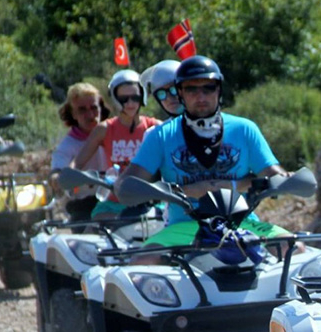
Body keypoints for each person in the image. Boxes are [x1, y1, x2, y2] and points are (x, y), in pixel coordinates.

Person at [114, 55, 290, 247]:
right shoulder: (160, 136)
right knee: (143, 263)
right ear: (180, 92)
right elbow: (124, 186)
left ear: (219, 89)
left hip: (242, 223)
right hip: (184, 226)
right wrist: (181, 191)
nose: (201, 96)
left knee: (294, 248)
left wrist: (286, 179)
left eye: (208, 87)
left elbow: (275, 176)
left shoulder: (245, 129)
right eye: (191, 89)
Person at [75, 70, 161, 218]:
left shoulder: (155, 127)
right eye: (124, 98)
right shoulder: (104, 129)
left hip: (151, 203)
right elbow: (78, 162)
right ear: (115, 99)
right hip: (113, 204)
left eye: (135, 97)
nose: (130, 103)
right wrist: (64, 175)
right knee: (94, 232)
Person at [49, 82, 110, 220]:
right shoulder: (68, 145)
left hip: (115, 201)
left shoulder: (113, 134)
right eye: (82, 110)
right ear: (73, 113)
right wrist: (57, 179)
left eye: (94, 108)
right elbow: (56, 172)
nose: (90, 115)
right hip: (84, 207)